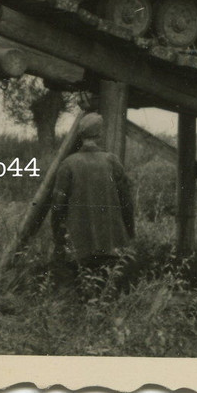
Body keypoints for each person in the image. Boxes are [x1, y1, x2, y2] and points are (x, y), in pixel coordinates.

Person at [50, 113, 136, 282]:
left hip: (79, 247)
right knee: (109, 288)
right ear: (100, 134)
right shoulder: (112, 162)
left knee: (79, 287)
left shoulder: (68, 164)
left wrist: (58, 237)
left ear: (81, 136)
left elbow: (57, 205)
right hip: (111, 245)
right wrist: (129, 232)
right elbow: (127, 203)